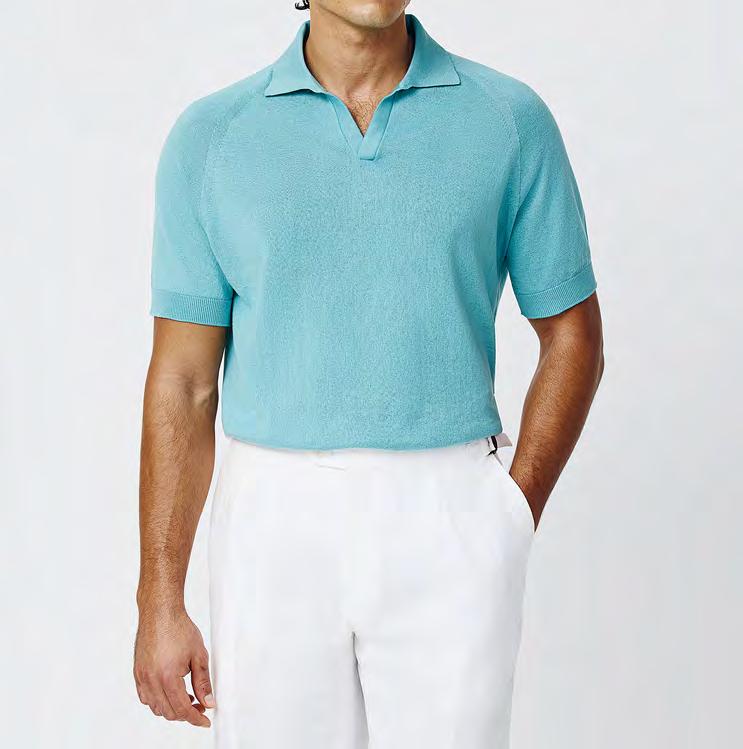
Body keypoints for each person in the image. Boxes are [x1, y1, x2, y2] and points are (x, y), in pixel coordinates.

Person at [133, 2, 604, 747]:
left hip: (450, 508)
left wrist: (512, 511)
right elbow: (183, 384)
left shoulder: (507, 121)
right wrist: (159, 599)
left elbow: (572, 335)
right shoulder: (213, 138)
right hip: (271, 519)